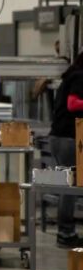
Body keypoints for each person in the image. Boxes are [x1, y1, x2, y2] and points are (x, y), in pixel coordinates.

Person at [49, 52, 83, 247]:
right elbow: (73, 104)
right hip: (67, 138)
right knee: (69, 186)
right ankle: (66, 232)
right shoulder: (80, 76)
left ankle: (65, 231)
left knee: (67, 185)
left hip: (59, 137)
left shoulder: (71, 74)